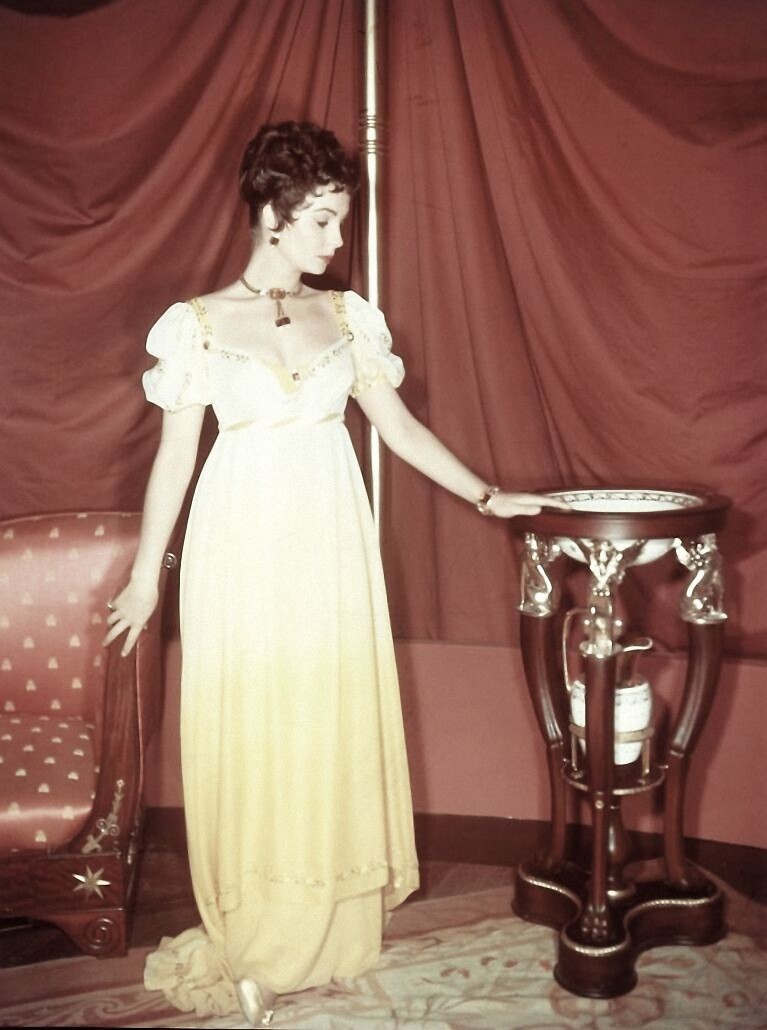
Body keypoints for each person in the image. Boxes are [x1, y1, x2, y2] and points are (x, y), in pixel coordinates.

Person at [103, 120, 569, 1027]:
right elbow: (173, 463)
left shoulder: (348, 316)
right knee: (256, 728)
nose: (336, 239)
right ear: (273, 217)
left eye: (340, 220)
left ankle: (327, 929)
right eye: (322, 220)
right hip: (238, 543)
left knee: (325, 719)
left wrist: (489, 497)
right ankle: (257, 942)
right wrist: (147, 579)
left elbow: (398, 430)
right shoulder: (198, 325)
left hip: (328, 540)